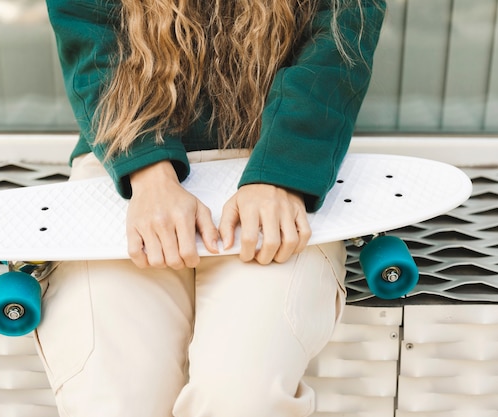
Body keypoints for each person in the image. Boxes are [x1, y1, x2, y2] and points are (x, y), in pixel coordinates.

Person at [36, 0, 385, 416]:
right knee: (113, 400)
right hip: (124, 163)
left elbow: (335, 46)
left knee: (243, 401)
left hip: (275, 169)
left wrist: (280, 171)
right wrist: (147, 173)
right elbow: (94, 44)